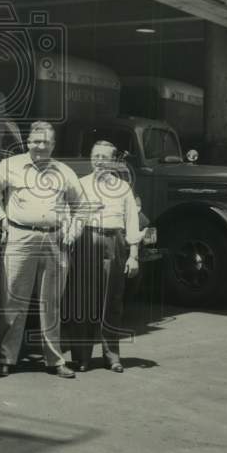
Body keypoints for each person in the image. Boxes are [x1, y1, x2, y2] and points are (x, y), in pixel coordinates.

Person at [0, 120, 84, 379]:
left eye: (45, 142)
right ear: (28, 143)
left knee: (51, 304)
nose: (40, 146)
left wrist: (72, 232)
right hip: (20, 237)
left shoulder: (64, 171)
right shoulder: (11, 166)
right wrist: (1, 219)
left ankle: (54, 360)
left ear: (53, 145)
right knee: (12, 300)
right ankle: (5, 358)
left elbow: (81, 206)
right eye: (35, 141)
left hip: (55, 241)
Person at [64, 141, 142, 373]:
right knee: (83, 300)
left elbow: (132, 222)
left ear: (114, 161)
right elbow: (70, 216)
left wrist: (134, 255)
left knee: (112, 301)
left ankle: (112, 356)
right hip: (86, 240)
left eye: (104, 157)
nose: (99, 161)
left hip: (114, 242)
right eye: (95, 156)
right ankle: (82, 357)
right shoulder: (80, 185)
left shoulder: (124, 188)